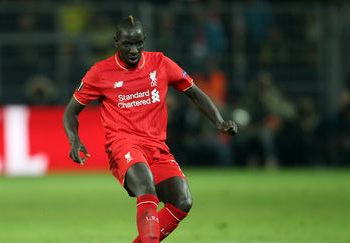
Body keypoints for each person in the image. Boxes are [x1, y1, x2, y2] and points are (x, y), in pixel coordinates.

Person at [63, 16, 238, 243]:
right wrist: (74, 140)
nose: (134, 50)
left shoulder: (160, 63)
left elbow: (194, 92)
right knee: (146, 186)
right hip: (123, 145)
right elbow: (71, 111)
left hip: (156, 147)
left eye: (138, 43)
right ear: (116, 42)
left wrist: (219, 121)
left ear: (144, 40)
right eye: (127, 44)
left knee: (182, 201)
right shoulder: (100, 72)